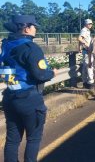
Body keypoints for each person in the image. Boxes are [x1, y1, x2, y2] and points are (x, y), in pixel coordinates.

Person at [0, 15, 57, 162]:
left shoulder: (6, 45)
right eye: (34, 26)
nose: (36, 28)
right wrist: (52, 73)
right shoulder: (30, 47)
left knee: (12, 140)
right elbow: (40, 74)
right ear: (26, 28)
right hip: (29, 99)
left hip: (10, 96)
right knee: (33, 138)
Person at [78, 19, 94, 89]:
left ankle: (85, 82)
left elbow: (81, 39)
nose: (90, 25)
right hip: (87, 51)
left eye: (91, 23)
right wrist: (86, 45)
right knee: (89, 65)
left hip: (86, 51)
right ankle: (90, 82)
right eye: (89, 24)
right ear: (86, 24)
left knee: (85, 66)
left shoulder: (87, 30)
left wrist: (79, 48)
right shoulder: (84, 30)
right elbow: (79, 38)